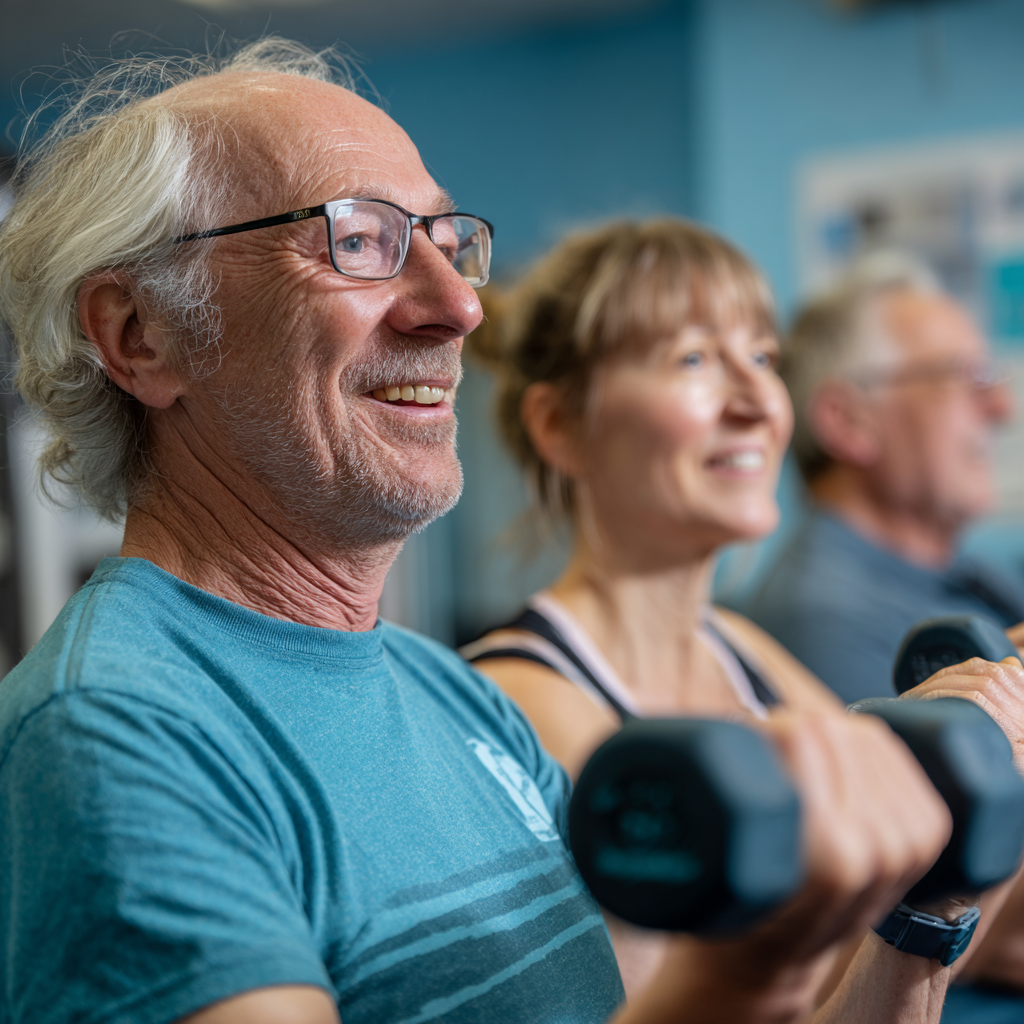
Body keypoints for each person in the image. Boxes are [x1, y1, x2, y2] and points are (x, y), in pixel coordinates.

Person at [0, 40, 1003, 1024]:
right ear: (141, 335)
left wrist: (925, 910)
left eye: (445, 241)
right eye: (359, 240)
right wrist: (745, 979)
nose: (459, 307)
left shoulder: (456, 696)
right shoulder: (109, 732)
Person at [460, 220, 1024, 1012]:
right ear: (559, 425)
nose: (760, 402)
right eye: (693, 359)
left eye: (761, 358)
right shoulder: (524, 701)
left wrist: (989, 754)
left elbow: (891, 961)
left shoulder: (744, 650)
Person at [739, 255, 1022, 704]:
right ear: (848, 420)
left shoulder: (957, 571)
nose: (1001, 408)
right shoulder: (827, 624)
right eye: (966, 376)